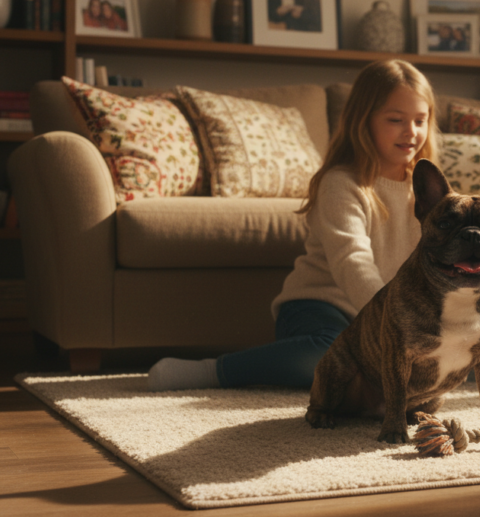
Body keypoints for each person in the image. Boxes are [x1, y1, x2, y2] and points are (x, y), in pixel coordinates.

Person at [147, 59, 438, 390]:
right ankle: (214, 371)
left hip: (393, 320)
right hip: (322, 308)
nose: (411, 131)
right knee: (331, 359)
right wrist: (392, 321)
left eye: (420, 120)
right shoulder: (341, 183)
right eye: (395, 120)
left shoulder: (429, 190)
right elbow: (352, 261)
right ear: (364, 120)